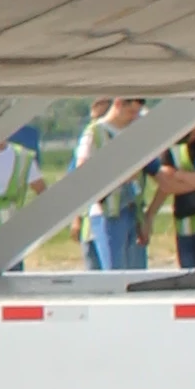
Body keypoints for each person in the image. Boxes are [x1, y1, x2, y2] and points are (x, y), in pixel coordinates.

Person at [73, 99, 147, 273]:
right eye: (131, 112)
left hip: (132, 209)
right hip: (107, 211)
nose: (134, 117)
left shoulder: (134, 130)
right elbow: (81, 170)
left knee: (135, 272)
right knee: (115, 271)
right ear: (119, 104)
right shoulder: (95, 132)